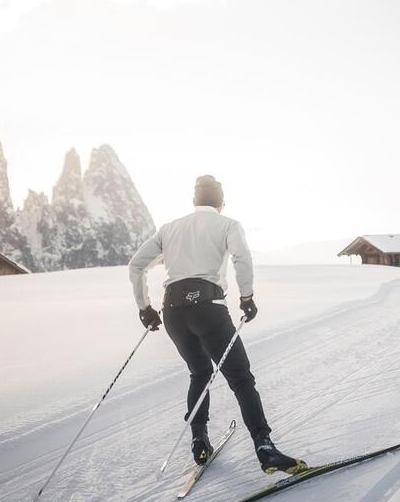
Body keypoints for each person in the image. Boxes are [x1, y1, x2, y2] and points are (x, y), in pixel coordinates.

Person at [128, 174, 304, 474]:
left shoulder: (169, 228)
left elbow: (136, 265)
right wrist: (247, 297)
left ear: (194, 200)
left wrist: (144, 308)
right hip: (207, 307)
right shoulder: (227, 224)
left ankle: (199, 440)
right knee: (241, 379)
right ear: (221, 201)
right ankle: (265, 448)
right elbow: (242, 258)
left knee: (199, 372)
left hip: (172, 311)